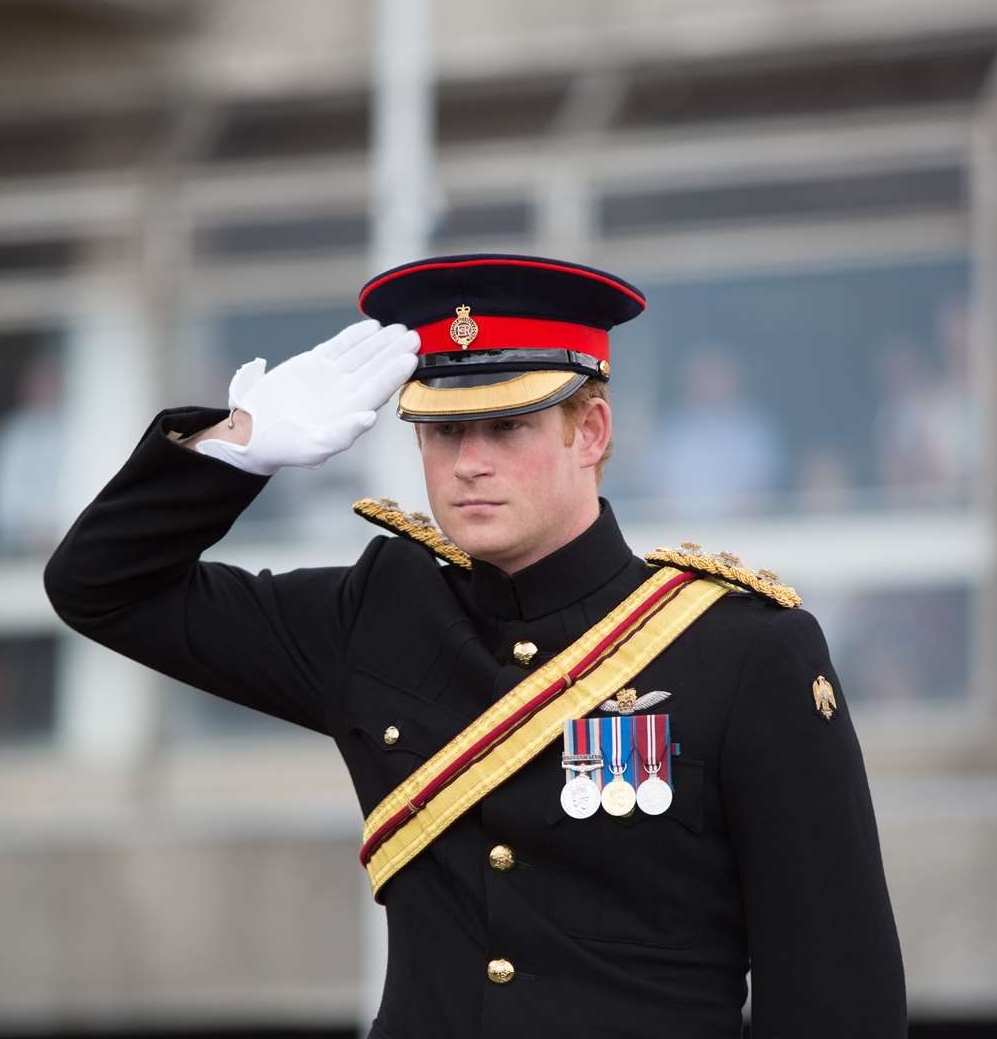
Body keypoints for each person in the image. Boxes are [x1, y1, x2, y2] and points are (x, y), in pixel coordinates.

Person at [44, 253, 906, 1038]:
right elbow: (100, 587)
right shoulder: (379, 614)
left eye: (509, 428)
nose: (469, 464)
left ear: (591, 433)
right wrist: (238, 446)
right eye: (446, 431)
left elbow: (836, 995)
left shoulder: (745, 652)